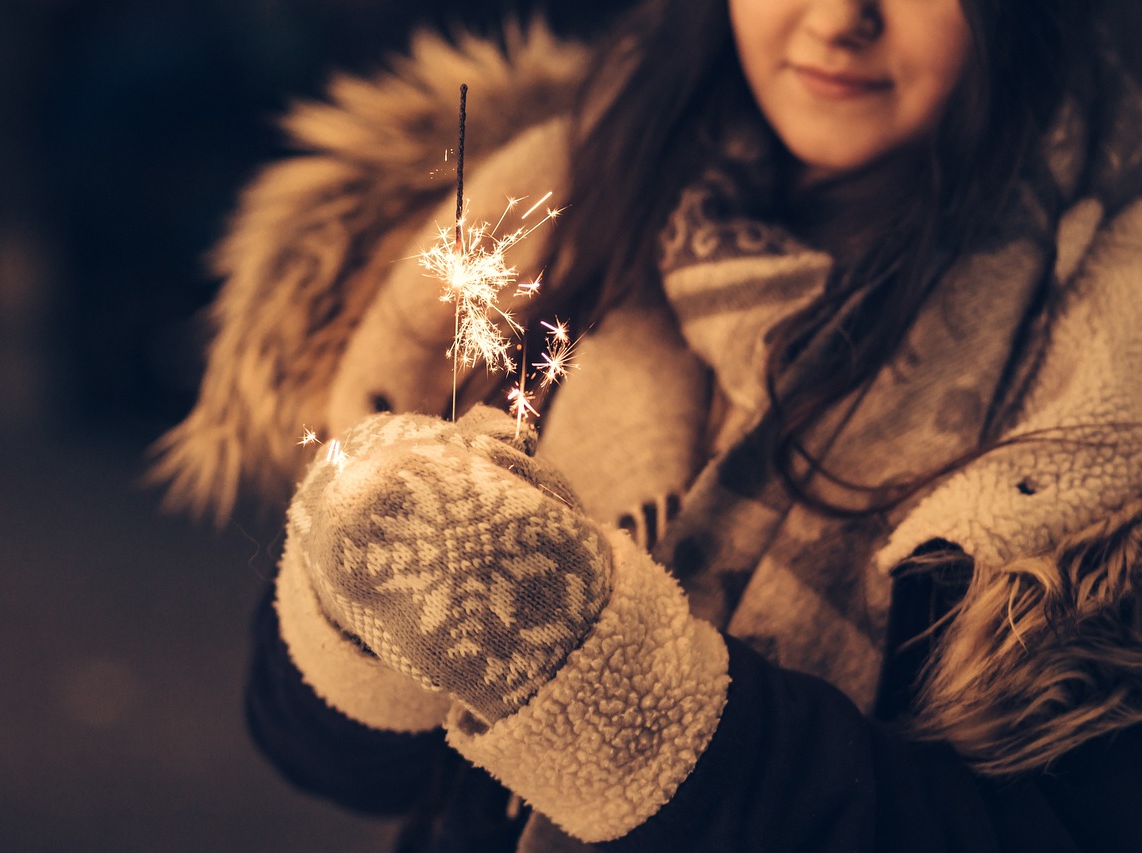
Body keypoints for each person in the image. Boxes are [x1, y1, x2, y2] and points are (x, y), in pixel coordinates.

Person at [154, 0, 1142, 849]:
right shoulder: (539, 208)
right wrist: (373, 595)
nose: (840, 20)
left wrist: (607, 687)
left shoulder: (1104, 350)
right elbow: (323, 751)